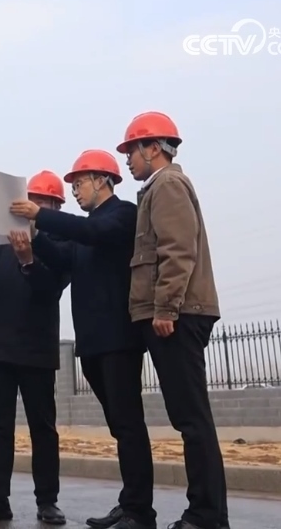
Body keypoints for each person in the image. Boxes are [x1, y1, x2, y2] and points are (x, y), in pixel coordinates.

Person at [10, 150, 155, 529]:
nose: (74, 191)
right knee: (119, 427)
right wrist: (34, 239)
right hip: (91, 344)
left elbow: (91, 233)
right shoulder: (84, 230)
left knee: (129, 426)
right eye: (72, 185)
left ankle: (140, 512)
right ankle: (130, 503)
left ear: (103, 180)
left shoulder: (122, 215)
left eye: (79, 183)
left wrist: (40, 215)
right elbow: (63, 257)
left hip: (119, 341)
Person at [116, 111, 228, 529]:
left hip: (178, 315)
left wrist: (166, 308)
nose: (128, 159)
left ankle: (206, 516)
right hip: (175, 313)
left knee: (192, 420)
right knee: (189, 418)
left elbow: (178, 250)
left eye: (132, 150)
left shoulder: (167, 186)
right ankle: (207, 514)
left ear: (153, 149)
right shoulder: (156, 189)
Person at [0, 170, 70, 525]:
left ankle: (47, 501)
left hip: (36, 350)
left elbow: (50, 289)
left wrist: (28, 260)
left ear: (55, 207)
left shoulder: (61, 242)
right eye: (31, 200)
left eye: (43, 202)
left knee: (43, 428)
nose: (34, 206)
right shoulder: (3, 237)